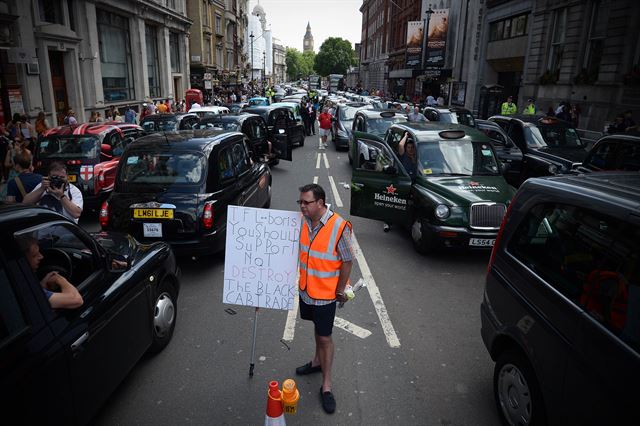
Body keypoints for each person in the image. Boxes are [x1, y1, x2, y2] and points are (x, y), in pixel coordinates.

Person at [295, 183, 353, 415]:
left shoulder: (339, 226)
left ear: (320, 203)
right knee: (319, 330)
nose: (302, 206)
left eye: (306, 202)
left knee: (325, 337)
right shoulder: (301, 221)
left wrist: (340, 290)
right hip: (306, 290)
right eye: (300, 202)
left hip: (326, 295)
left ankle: (326, 385)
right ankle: (316, 362)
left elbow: (347, 260)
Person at [17, 235, 83, 309]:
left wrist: (41, 285)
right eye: (34, 255)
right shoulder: (25, 289)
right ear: (22, 261)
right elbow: (77, 300)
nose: (41, 256)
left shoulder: (15, 279)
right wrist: (59, 279)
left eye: (39, 252)